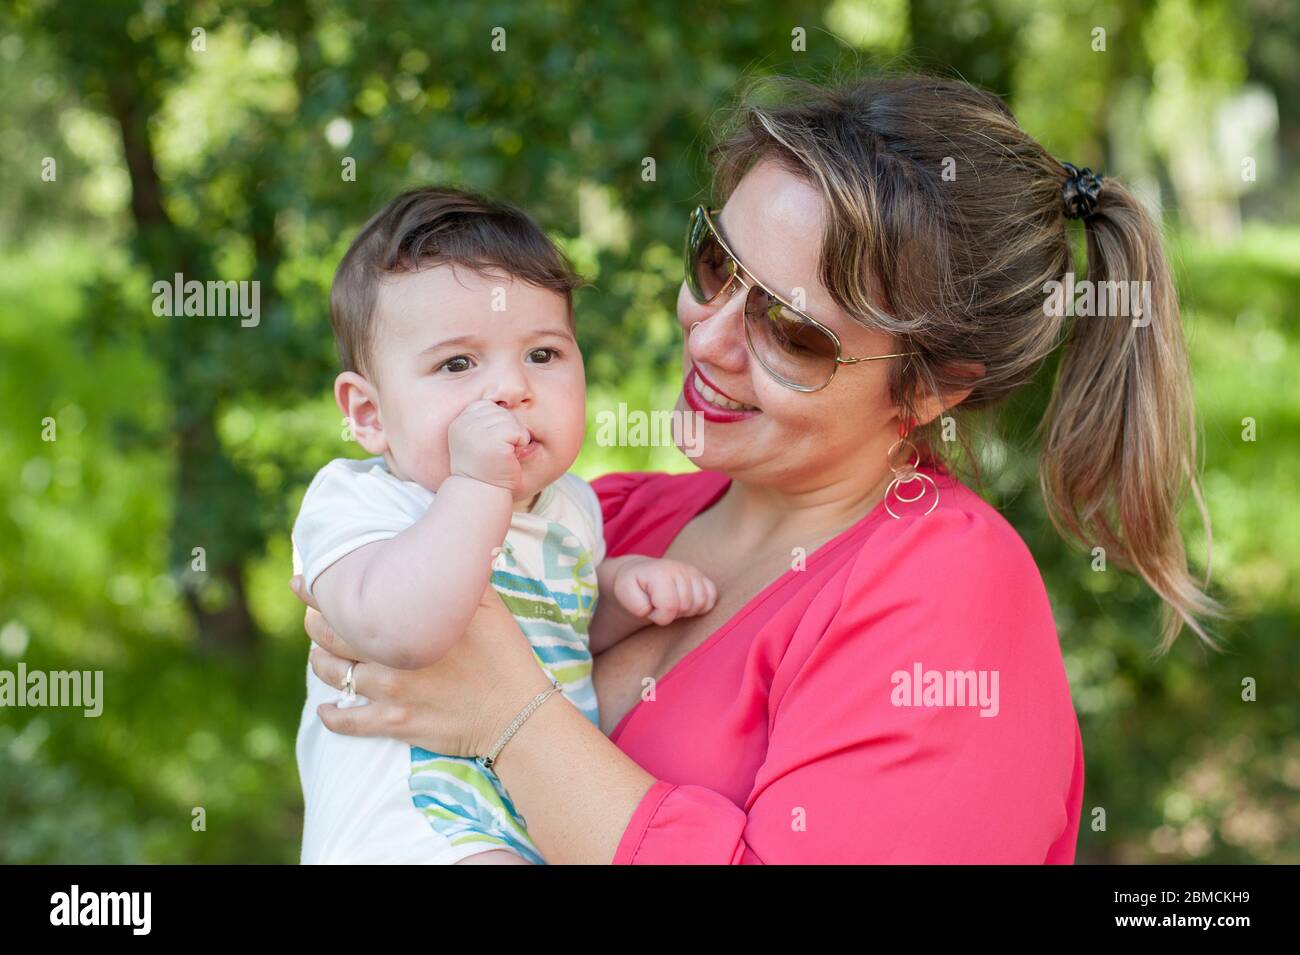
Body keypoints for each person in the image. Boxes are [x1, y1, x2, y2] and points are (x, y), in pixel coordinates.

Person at [291, 74, 1224, 863]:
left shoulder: (948, 591)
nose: (709, 334)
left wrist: (507, 715)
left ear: (932, 388)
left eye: (790, 330)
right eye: (714, 261)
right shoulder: (600, 517)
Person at [292, 186, 716, 864]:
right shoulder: (359, 505)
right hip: (411, 824)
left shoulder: (569, 507)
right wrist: (477, 486)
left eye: (542, 354)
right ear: (368, 414)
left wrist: (617, 590)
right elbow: (407, 631)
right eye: (457, 363)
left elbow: (557, 618)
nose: (511, 388)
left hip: (529, 815)